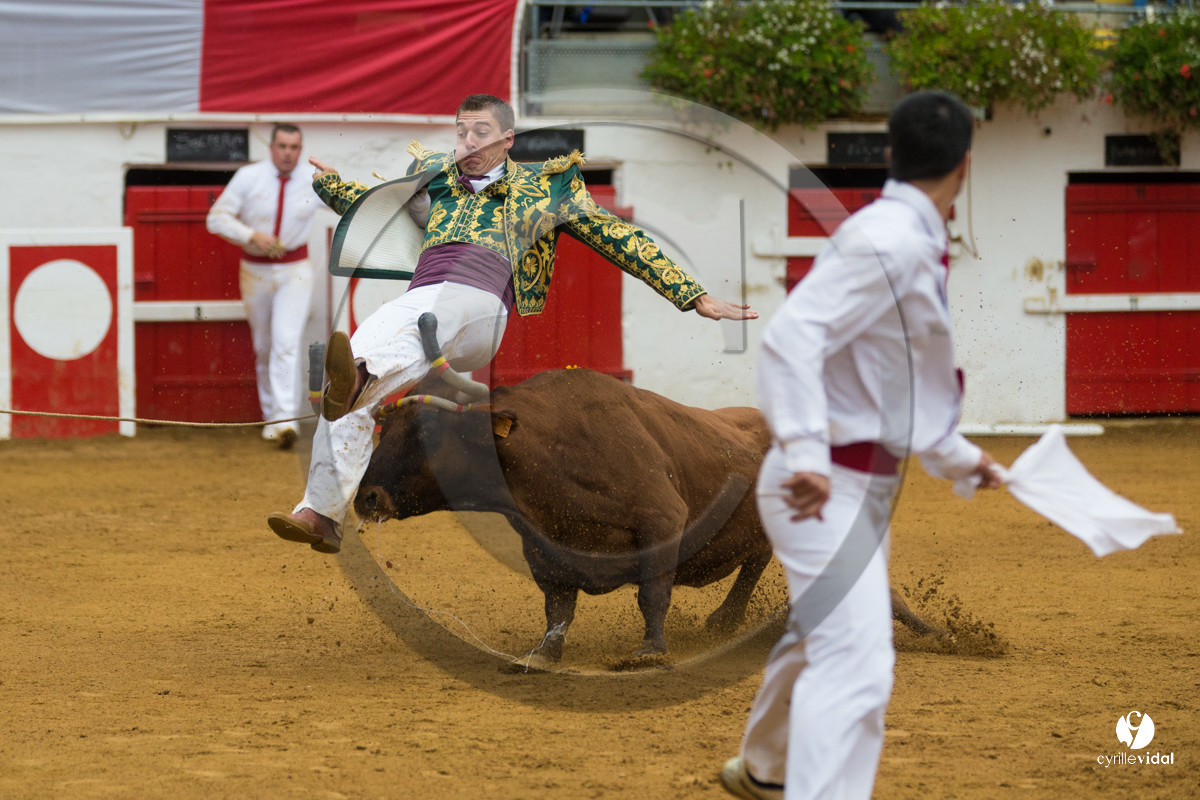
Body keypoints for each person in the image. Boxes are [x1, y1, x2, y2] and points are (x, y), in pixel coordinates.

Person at [267, 93, 756, 553]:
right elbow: (376, 205)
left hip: (481, 307)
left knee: (426, 318)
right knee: (358, 359)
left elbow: (618, 236)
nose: (469, 142)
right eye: (461, 133)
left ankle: (359, 379)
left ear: (507, 140)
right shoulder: (436, 181)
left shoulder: (546, 188)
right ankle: (322, 512)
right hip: (423, 301)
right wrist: (329, 182)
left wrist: (690, 293)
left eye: (481, 132)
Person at [719, 90, 1003, 800]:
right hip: (821, 486)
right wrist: (810, 452)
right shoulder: (895, 241)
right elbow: (790, 339)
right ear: (965, 167)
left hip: (850, 482)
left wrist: (956, 456)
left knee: (824, 637)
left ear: (888, 157)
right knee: (859, 663)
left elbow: (898, 381)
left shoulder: (906, 239)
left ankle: (763, 768)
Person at [206, 123, 320, 449]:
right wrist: (251, 235)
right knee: (264, 345)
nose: (288, 153)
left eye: (295, 147)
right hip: (254, 269)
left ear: (301, 149)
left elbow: (345, 205)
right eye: (283, 146)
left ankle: (284, 421)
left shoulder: (312, 181)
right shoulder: (249, 176)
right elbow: (216, 218)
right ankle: (272, 417)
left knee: (286, 341)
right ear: (271, 147)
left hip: (295, 269)